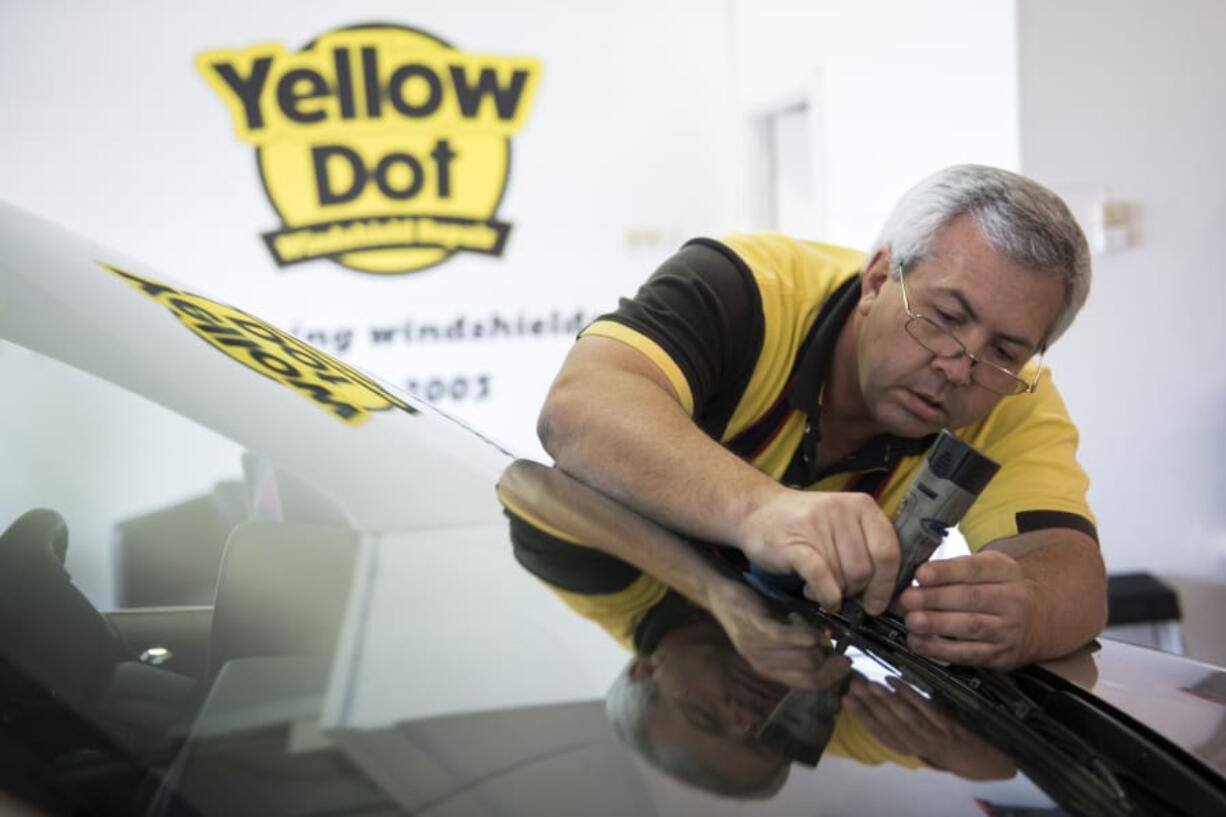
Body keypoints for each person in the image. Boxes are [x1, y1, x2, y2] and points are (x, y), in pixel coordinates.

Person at [536, 164, 1106, 678]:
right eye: (946, 317)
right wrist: (761, 508)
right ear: (879, 280)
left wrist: (1025, 608)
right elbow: (578, 407)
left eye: (1006, 349)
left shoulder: (1012, 392)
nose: (960, 368)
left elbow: (1073, 574)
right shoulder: (746, 287)